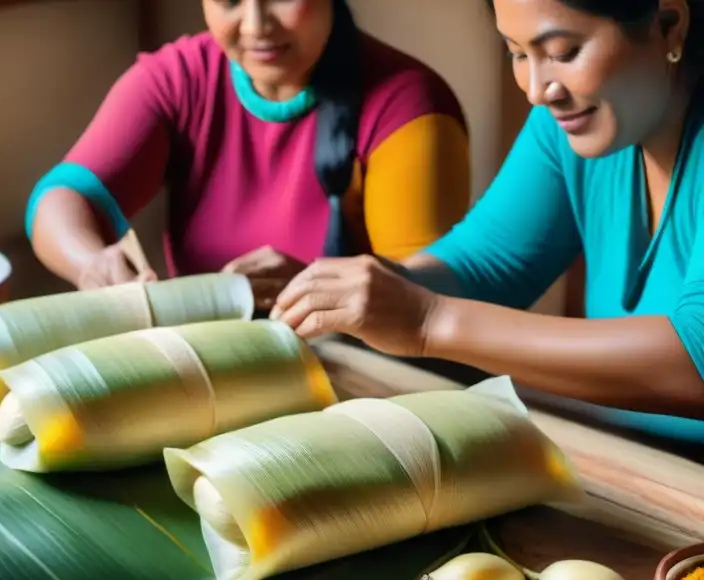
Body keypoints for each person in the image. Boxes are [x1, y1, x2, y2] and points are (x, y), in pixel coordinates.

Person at [273, 0, 704, 444]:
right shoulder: (569, 125)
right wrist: (372, 289)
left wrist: (428, 320)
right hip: (645, 467)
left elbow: (695, 360)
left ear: (668, 24)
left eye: (562, 51)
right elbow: (486, 264)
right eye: (517, 53)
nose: (537, 90)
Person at [25, 0, 471, 310]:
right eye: (229, 0)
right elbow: (64, 197)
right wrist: (91, 264)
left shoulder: (409, 105)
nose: (256, 25)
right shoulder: (178, 78)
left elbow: (424, 300)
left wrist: (314, 287)